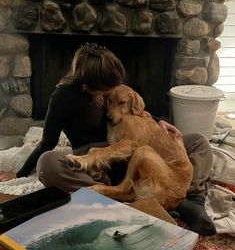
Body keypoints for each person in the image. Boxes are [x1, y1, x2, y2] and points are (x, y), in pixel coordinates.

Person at [0, 43, 216, 236]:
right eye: (104, 92)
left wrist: (160, 121)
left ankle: (192, 200)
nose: (110, 93)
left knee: (199, 141)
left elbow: (132, 111)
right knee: (47, 164)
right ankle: (113, 197)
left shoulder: (107, 83)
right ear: (86, 85)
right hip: (94, 155)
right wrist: (19, 173)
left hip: (135, 148)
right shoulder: (63, 97)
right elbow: (47, 142)